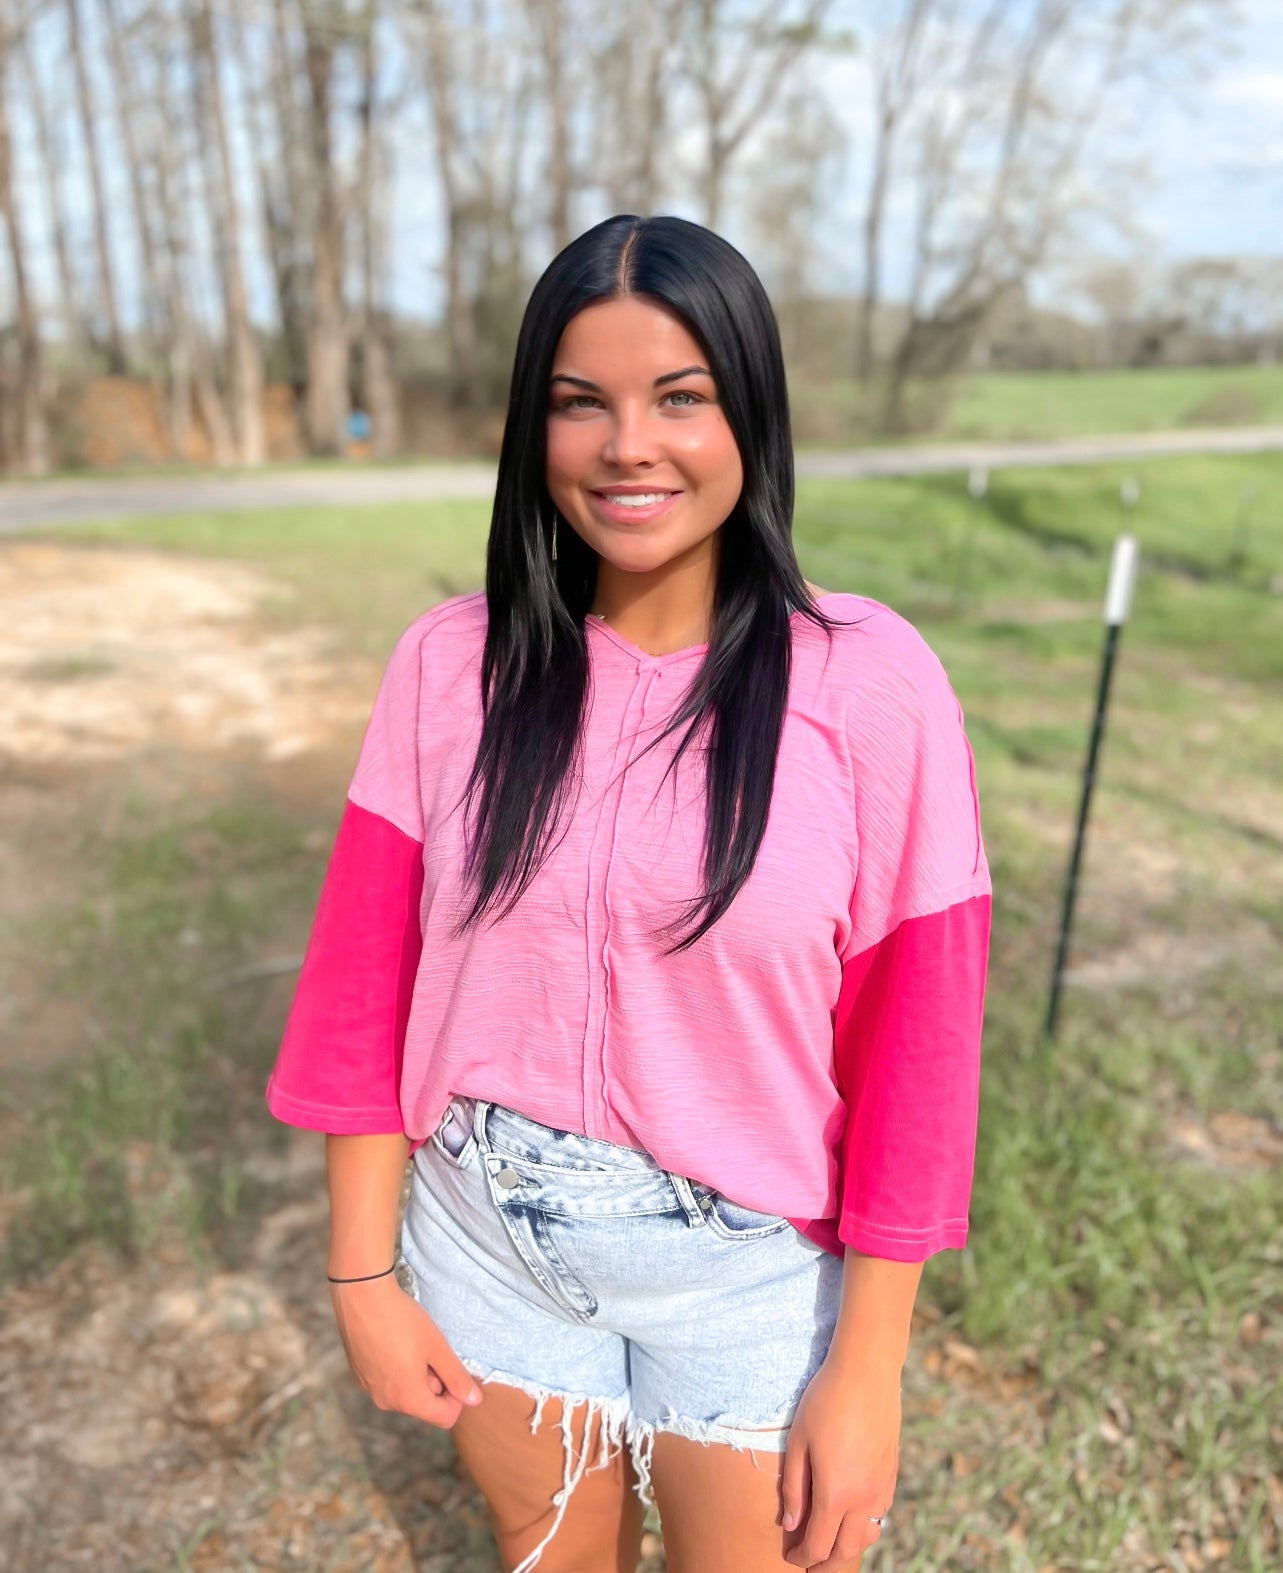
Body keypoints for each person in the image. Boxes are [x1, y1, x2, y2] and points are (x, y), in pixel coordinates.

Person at [265, 213, 992, 1573]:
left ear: (751, 416)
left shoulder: (872, 686)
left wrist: (871, 1365)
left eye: (680, 397)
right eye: (579, 403)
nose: (627, 446)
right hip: (487, 1235)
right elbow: (365, 989)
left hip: (749, 1270)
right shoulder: (450, 667)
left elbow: (921, 1047)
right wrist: (363, 1273)